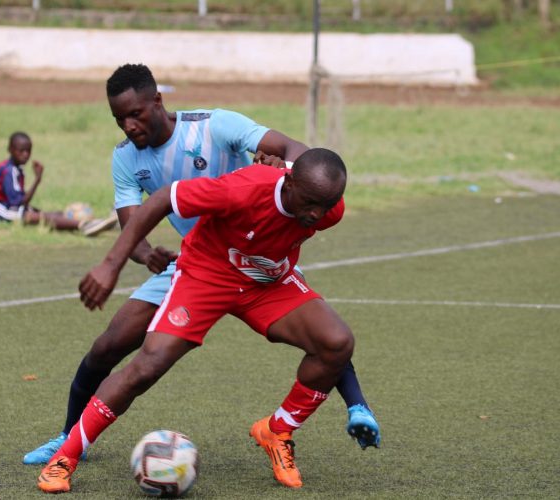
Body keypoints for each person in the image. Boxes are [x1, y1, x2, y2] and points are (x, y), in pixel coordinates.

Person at [22, 64, 379, 465]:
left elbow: (292, 147)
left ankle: (355, 407)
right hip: (196, 264)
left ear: (157, 101)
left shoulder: (214, 126)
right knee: (110, 345)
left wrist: (286, 170)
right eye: (119, 119)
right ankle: (70, 438)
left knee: (323, 331)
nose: (128, 126)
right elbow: (132, 226)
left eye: (135, 114)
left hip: (255, 253)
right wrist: (144, 255)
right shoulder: (125, 159)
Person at [38, 148, 355, 493]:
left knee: (336, 342)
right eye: (309, 202)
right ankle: (64, 458)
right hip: (207, 274)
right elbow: (162, 199)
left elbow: (312, 203)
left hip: (265, 282)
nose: (316, 214)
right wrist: (111, 264)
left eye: (325, 205)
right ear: (288, 182)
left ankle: (277, 430)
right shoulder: (242, 190)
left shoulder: (327, 209)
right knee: (148, 366)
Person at [0, 131, 117, 237]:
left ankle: (95, 222)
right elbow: (18, 203)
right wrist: (37, 179)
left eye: (28, 151)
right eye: (21, 151)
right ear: (10, 149)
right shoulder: (9, 170)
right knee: (35, 217)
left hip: (9, 206)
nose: (25, 155)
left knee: (51, 213)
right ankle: (83, 225)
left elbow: (19, 201)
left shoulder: (16, 169)